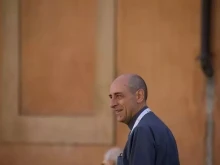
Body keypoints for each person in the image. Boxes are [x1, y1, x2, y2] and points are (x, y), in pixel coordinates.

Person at [109, 74, 180, 165]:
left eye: (119, 96)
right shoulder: (152, 126)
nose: (112, 104)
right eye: (111, 97)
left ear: (139, 96)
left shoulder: (142, 130)